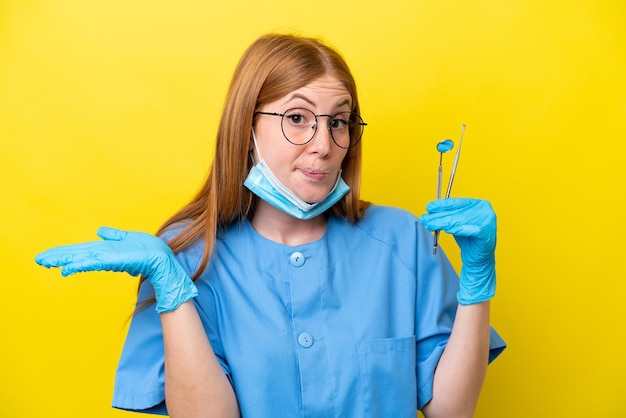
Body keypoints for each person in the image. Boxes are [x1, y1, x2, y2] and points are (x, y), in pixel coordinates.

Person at [35, 33, 505, 418]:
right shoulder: (189, 259)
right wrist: (173, 291)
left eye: (339, 122)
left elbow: (450, 410)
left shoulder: (402, 241)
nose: (324, 144)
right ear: (246, 128)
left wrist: (477, 280)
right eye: (297, 118)